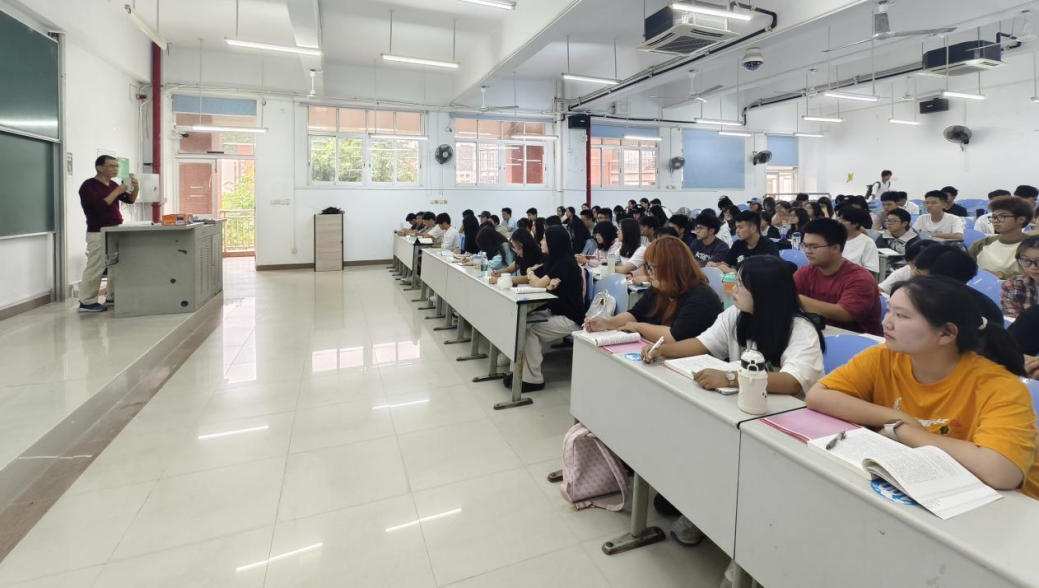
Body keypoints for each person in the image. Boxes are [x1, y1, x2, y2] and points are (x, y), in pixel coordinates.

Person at [806, 275, 1038, 501]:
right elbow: (818, 396)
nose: (886, 323)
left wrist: (902, 431)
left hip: (1002, 507)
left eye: (901, 315)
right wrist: (897, 417)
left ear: (946, 333)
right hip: (924, 488)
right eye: (889, 310)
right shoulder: (884, 357)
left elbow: (1001, 473)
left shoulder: (999, 386)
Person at [585, 236, 722, 343]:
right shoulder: (658, 289)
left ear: (673, 267)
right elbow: (636, 314)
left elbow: (675, 337)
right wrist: (608, 323)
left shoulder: (702, 297)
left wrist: (638, 327)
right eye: (647, 267)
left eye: (653, 268)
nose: (649, 273)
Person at [503, 226, 587, 392]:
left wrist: (531, 274)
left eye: (544, 239)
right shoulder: (553, 259)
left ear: (553, 242)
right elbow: (535, 277)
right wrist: (531, 275)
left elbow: (537, 283)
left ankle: (533, 379)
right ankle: (519, 372)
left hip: (570, 318)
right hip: (556, 311)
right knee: (520, 323)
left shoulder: (565, 262)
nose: (541, 242)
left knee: (528, 330)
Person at [795, 219, 882, 335]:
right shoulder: (806, 272)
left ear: (836, 248)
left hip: (858, 340)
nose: (807, 251)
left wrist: (796, 298)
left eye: (813, 247)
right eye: (804, 246)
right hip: (818, 335)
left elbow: (845, 314)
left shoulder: (860, 278)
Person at [78, 155, 139, 312]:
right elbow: (98, 207)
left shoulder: (112, 184)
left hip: (115, 228)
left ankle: (112, 296)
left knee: (115, 265)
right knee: (96, 266)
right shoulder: (89, 185)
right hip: (98, 231)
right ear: (100, 168)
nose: (116, 169)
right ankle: (86, 301)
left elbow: (129, 200)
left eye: (117, 166)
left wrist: (135, 188)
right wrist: (118, 190)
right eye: (112, 166)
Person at [913, 244, 1004, 326]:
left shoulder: (977, 313)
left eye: (919, 276)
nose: (914, 279)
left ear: (946, 282)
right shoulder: (922, 296)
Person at [969, 196, 1034, 279]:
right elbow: (965, 269)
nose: (996, 221)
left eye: (1002, 216)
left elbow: (1033, 273)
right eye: (993, 217)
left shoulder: (1033, 246)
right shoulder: (981, 244)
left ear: (1021, 219)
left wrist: (1001, 274)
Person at [709, 211, 779, 274]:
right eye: (736, 227)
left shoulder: (768, 245)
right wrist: (714, 265)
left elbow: (769, 273)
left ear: (753, 229)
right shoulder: (738, 244)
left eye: (740, 227)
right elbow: (725, 264)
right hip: (737, 282)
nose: (736, 231)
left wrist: (735, 271)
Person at [1001, 236, 1039, 318]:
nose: (1032, 267)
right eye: (1025, 260)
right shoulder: (1012, 285)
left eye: (1038, 261)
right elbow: (1012, 320)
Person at [837, 206, 880, 274]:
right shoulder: (832, 238)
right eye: (839, 219)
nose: (839, 222)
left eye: (843, 220)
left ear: (855, 224)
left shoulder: (867, 242)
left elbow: (871, 270)